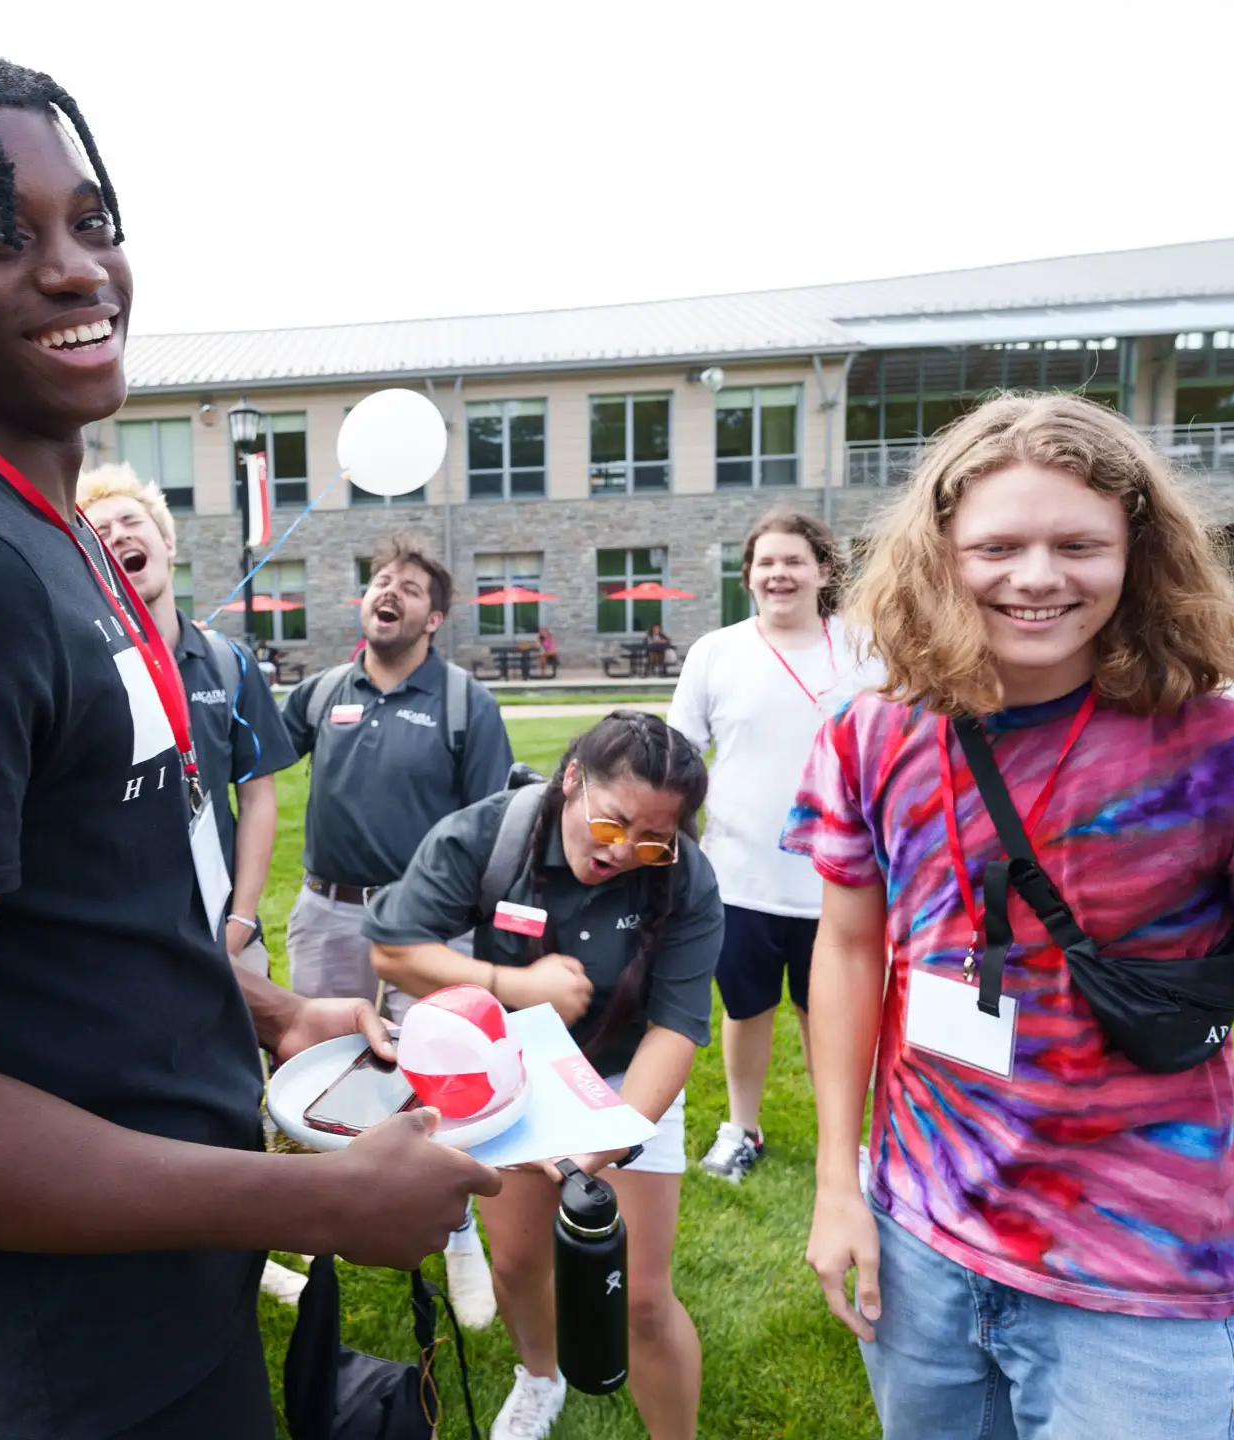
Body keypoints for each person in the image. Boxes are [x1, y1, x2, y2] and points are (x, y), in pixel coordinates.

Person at [0, 55, 497, 1440]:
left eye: (93, 221)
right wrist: (315, 1201)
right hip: (57, 1350)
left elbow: (79, 902)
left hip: (149, 1278)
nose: (75, 269)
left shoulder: (61, 535)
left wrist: (273, 1018)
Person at [787, 393, 1234, 1438]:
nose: (1036, 577)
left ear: (1139, 552)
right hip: (918, 1242)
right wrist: (835, 1183)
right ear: (939, 553)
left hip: (1138, 1277)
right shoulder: (866, 736)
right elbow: (850, 949)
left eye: (1077, 543)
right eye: (998, 545)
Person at [367, 710, 723, 1440]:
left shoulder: (685, 876)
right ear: (571, 782)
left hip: (628, 1083)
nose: (626, 851)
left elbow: (676, 1028)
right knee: (521, 1268)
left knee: (644, 1302)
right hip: (516, 1082)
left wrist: (602, 1145)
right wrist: (510, 982)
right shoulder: (486, 834)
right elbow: (395, 950)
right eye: (612, 823)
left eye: (653, 839)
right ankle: (539, 1375)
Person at [281, 531, 515, 1323]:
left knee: (439, 1079)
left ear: (434, 617)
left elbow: (492, 828)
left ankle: (456, 1234)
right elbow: (245, 752)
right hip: (327, 912)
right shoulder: (322, 692)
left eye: (410, 586)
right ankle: (325, 1213)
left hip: (426, 928)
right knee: (322, 1067)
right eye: (381, 579)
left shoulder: (463, 704)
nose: (390, 591)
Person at [670, 509, 882, 1184]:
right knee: (746, 1006)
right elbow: (679, 758)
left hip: (840, 881)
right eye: (766, 562)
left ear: (824, 570)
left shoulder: (865, 649)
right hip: (738, 878)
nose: (779, 573)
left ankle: (843, 1142)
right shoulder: (716, 652)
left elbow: (894, 750)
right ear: (749, 576)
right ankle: (743, 1127)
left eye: (794, 560)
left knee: (834, 1014)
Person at [80, 467, 296, 976]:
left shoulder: (231, 662)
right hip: (124, 945)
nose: (118, 536)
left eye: (131, 521)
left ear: (168, 544)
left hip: (226, 932)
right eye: (100, 534)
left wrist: (241, 921)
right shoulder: (80, 672)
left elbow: (258, 797)